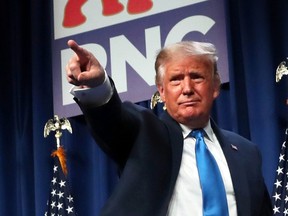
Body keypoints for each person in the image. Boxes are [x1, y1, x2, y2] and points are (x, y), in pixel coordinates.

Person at [65, 39, 272, 216]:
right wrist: (98, 85)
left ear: (215, 86)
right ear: (162, 92)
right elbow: (113, 121)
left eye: (197, 76)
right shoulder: (145, 133)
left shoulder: (246, 152)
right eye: (176, 80)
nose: (187, 89)